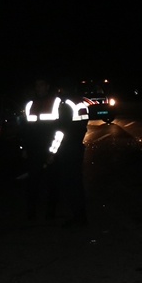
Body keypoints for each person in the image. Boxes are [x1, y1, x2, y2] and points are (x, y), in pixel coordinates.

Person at [21, 78, 62, 221]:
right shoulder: (30, 104)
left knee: (52, 183)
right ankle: (31, 213)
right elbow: (25, 129)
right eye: (37, 85)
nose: (39, 87)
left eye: (41, 84)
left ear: (47, 86)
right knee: (32, 183)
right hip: (34, 150)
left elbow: (60, 130)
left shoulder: (56, 103)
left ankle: (50, 213)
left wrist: (53, 152)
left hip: (49, 149)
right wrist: (25, 147)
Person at [55, 82, 89, 227]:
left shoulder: (65, 105)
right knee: (77, 182)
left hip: (68, 148)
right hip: (77, 144)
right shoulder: (80, 103)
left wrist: (53, 151)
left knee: (70, 183)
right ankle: (81, 214)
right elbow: (83, 124)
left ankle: (77, 216)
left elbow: (62, 130)